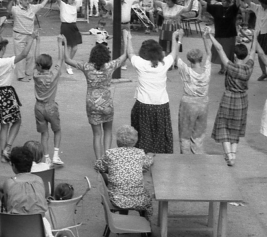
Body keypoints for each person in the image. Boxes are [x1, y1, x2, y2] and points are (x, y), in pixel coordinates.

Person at [65, 31, 130, 160]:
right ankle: (107, 158)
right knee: (107, 131)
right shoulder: (110, 66)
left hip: (92, 104)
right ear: (106, 55)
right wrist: (126, 38)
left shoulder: (87, 67)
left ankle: (99, 161)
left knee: (97, 134)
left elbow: (67, 59)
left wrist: (63, 43)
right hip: (106, 104)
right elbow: (125, 55)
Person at [0, 145, 48, 237]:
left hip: (14, 235)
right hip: (40, 234)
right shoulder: (39, 180)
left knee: (20, 218)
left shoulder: (9, 183)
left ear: (13, 166)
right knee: (30, 216)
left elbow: (0, 189)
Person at [0, 33, 38, 162]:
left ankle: (3, 154)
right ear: (3, 48)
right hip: (7, 94)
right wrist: (31, 39)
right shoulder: (6, 61)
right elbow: (24, 54)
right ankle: (7, 148)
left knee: (4, 125)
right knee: (17, 121)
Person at [127, 30, 181, 154]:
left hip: (143, 104)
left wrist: (128, 38)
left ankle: (143, 156)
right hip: (161, 104)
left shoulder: (140, 64)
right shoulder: (163, 64)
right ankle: (161, 155)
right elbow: (173, 52)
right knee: (161, 133)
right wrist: (176, 38)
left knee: (144, 133)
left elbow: (130, 53)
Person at [209, 31, 256, 166]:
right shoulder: (249, 68)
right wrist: (255, 37)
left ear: (234, 55)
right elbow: (253, 51)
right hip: (242, 100)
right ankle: (233, 155)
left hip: (228, 98)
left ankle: (228, 155)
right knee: (236, 127)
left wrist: (210, 36)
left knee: (223, 125)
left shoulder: (231, 67)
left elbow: (219, 48)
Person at [94, 125, 154, 219]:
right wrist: (150, 156)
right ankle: (147, 224)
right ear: (134, 141)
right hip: (138, 199)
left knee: (121, 185)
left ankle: (122, 218)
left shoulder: (110, 153)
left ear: (118, 141)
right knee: (148, 198)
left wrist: (110, 170)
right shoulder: (140, 153)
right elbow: (147, 164)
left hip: (117, 199)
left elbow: (98, 166)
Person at [176, 29, 212, 154]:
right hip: (203, 103)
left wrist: (179, 38)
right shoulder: (207, 70)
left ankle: (185, 155)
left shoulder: (186, 71)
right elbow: (210, 53)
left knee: (185, 133)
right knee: (199, 132)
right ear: (201, 59)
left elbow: (175, 56)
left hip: (188, 103)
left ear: (189, 60)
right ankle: (198, 154)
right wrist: (204, 37)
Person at [33, 35, 65, 166]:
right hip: (51, 106)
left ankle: (46, 158)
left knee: (44, 133)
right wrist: (59, 43)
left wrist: (38, 41)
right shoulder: (54, 75)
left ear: (39, 66)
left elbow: (36, 59)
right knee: (57, 130)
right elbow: (60, 58)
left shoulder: (35, 75)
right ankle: (56, 155)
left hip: (39, 107)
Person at [9, 0, 52, 81]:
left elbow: (42, 5)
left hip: (30, 36)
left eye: (28, 0)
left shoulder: (32, 8)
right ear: (20, 0)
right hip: (19, 36)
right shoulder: (15, 9)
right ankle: (21, 76)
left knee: (30, 55)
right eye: (25, 0)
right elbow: (8, 9)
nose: (27, 2)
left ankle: (29, 73)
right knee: (20, 56)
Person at [202, 0, 240, 74]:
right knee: (219, 50)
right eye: (222, 1)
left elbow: (238, 3)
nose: (223, 3)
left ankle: (229, 67)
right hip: (219, 33)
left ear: (229, 1)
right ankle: (223, 68)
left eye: (225, 1)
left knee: (228, 51)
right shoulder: (217, 8)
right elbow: (206, 4)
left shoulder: (232, 9)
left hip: (230, 34)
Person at [58, 0, 92, 75]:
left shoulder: (76, 3)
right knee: (68, 47)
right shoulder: (63, 5)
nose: (74, 0)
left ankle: (68, 62)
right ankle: (68, 65)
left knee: (75, 47)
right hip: (65, 26)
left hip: (73, 26)